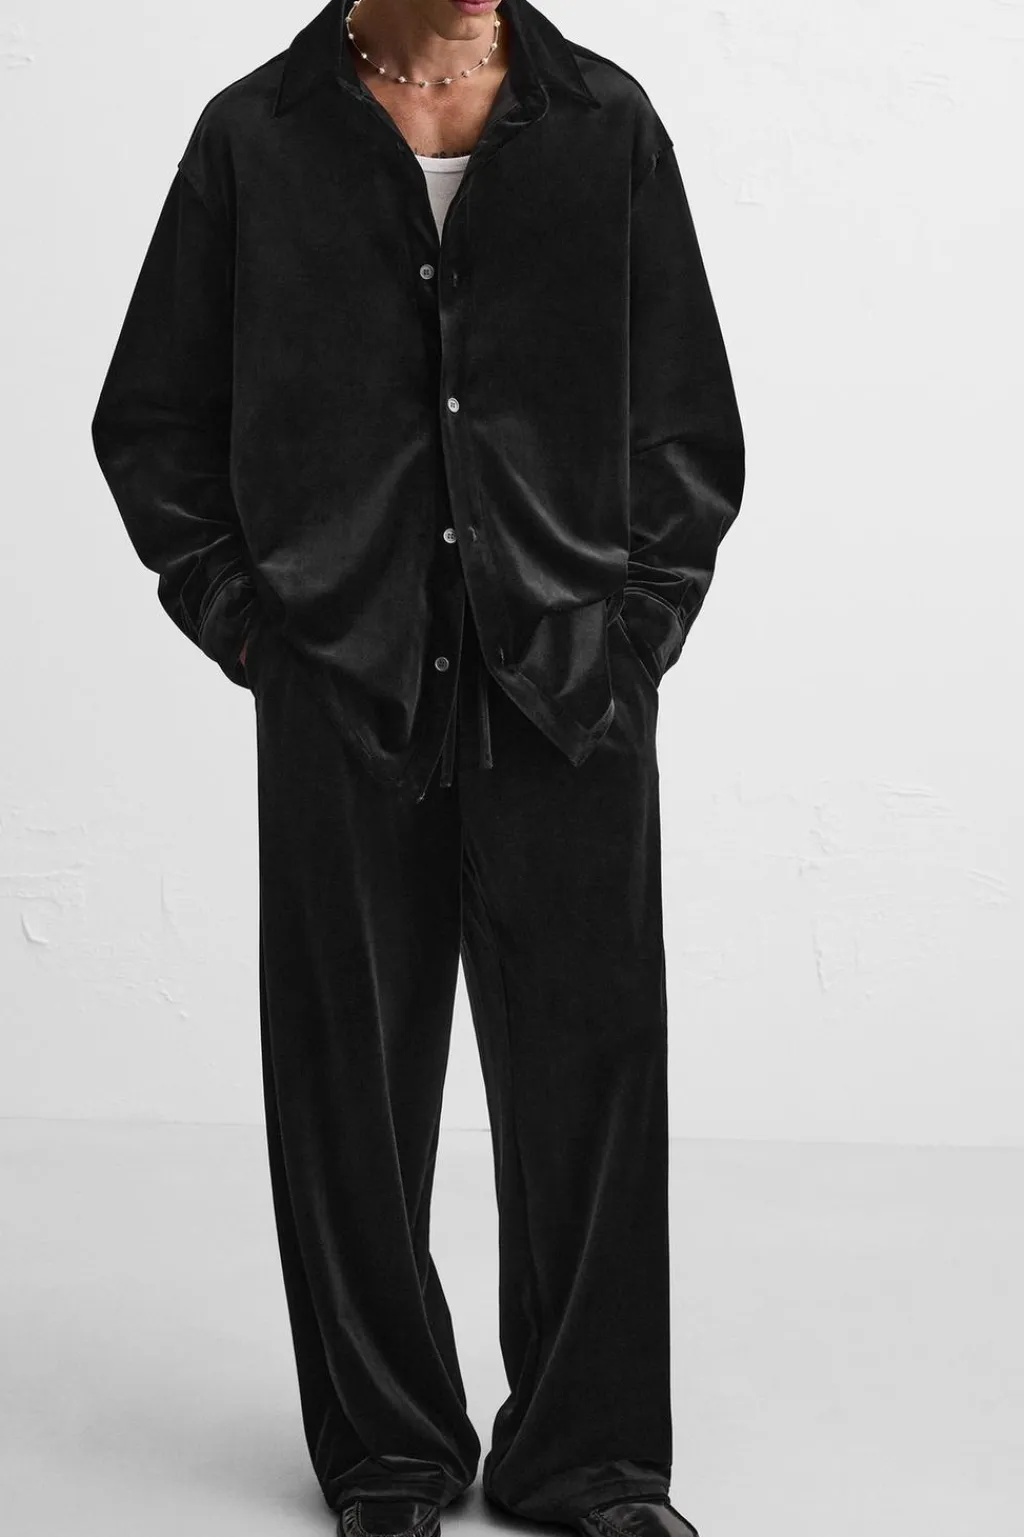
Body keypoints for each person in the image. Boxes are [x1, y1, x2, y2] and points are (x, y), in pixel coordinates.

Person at [90, 2, 745, 1536]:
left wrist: (630, 640)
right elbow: (151, 422)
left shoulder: (606, 127)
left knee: (591, 1075)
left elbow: (685, 425)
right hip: (345, 680)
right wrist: (261, 636)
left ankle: (588, 1459)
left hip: (566, 685)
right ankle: (389, 1453)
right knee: (350, 1088)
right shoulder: (255, 140)